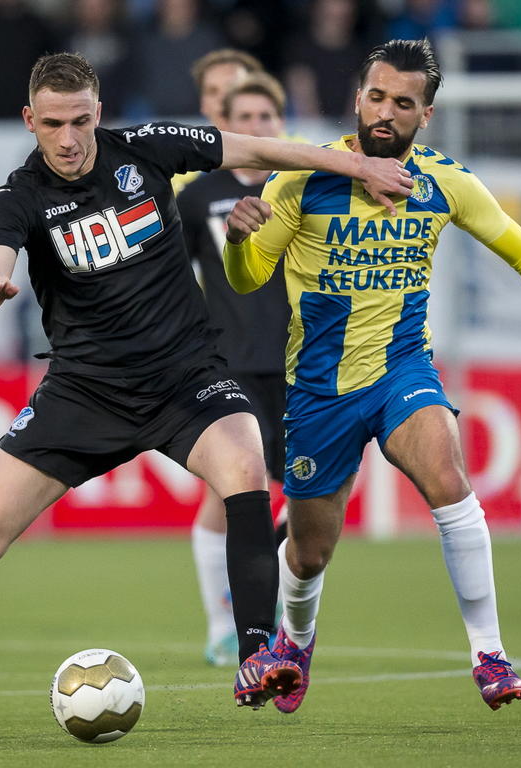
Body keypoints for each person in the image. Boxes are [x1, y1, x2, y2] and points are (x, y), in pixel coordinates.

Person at [0, 51, 415, 736]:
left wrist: (360, 165)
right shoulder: (17, 196)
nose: (68, 139)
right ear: (28, 121)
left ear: (98, 114)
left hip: (188, 377)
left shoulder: (146, 150)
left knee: (246, 470)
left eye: (79, 121)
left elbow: (257, 146)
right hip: (86, 391)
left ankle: (257, 655)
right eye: (51, 124)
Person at [222, 38, 521, 713]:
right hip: (319, 388)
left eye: (403, 103)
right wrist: (237, 240)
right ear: (357, 98)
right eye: (376, 97)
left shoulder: (445, 183)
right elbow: (249, 277)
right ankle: (295, 642)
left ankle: (490, 653)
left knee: (448, 477)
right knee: (310, 553)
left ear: (426, 114)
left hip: (402, 368)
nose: (385, 113)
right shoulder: (300, 178)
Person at [177, 72, 289, 666]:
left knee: (307, 494)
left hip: (303, 363)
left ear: (281, 123)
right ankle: (224, 626)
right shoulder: (198, 196)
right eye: (243, 118)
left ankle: (277, 611)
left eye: (266, 118)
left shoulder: (301, 187)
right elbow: (174, 276)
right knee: (228, 496)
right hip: (231, 364)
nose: (256, 127)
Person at [172, 47, 263, 195]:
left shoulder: (296, 157)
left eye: (233, 87)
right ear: (203, 105)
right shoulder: (182, 176)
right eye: (212, 91)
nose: (223, 99)